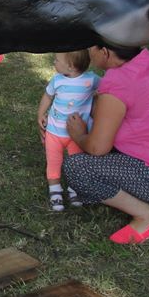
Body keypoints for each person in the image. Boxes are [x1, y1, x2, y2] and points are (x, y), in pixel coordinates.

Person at [63, 45, 149, 245]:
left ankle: (148, 216)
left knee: (77, 168)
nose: (87, 51)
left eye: (90, 48)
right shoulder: (143, 59)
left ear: (105, 52)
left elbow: (97, 148)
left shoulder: (117, 83)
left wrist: (79, 135)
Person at [36, 49, 99, 212]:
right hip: (54, 132)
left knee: (76, 163)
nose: (54, 62)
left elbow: (108, 90)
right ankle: (55, 191)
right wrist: (41, 114)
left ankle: (74, 189)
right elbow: (47, 97)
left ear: (70, 66)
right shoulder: (57, 80)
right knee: (54, 161)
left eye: (57, 60)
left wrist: (95, 110)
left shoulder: (91, 80)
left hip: (76, 135)